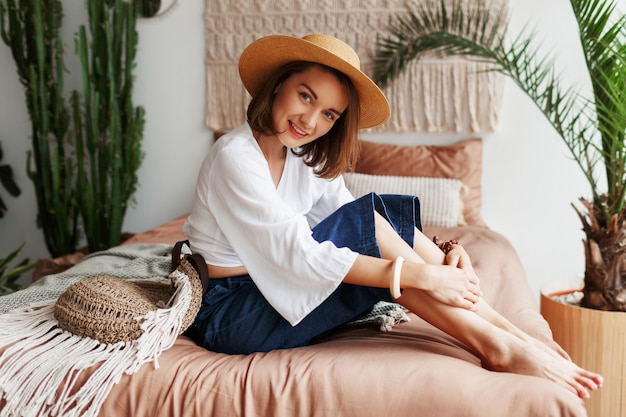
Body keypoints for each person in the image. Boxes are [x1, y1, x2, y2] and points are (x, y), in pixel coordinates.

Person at [183, 33, 602, 399]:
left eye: (329, 114)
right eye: (306, 95)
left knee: (371, 216)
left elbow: (358, 217)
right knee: (367, 231)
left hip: (269, 290)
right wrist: (423, 276)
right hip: (229, 313)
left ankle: (504, 331)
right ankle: (499, 346)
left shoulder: (299, 157)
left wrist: (446, 253)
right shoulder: (234, 157)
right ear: (278, 86)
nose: (310, 121)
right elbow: (299, 254)